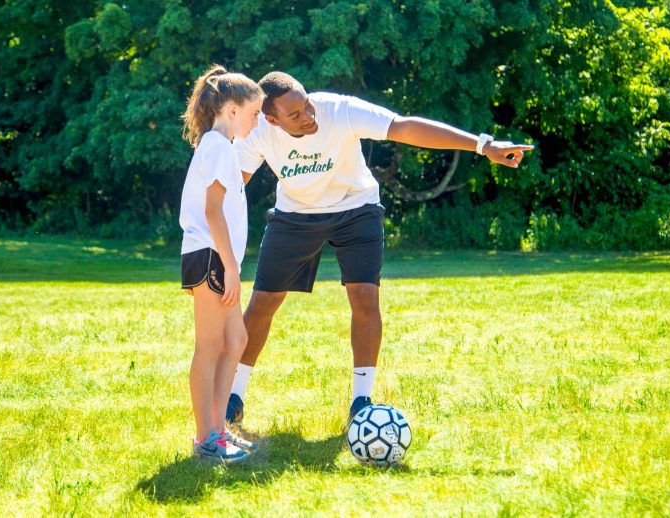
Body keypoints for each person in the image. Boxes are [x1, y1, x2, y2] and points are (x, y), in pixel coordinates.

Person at [226, 71, 534, 426]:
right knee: (263, 302)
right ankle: (234, 395)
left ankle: (362, 401)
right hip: (295, 215)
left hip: (356, 208)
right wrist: (214, 240)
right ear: (271, 118)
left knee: (364, 298)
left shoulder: (339, 111)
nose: (308, 116)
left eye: (307, 105)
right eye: (295, 115)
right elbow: (233, 186)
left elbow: (404, 127)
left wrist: (483, 146)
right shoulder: (257, 132)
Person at [178, 65, 263, 463]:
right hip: (210, 257)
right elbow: (212, 213)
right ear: (231, 110)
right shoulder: (215, 147)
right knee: (210, 345)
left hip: (221, 259)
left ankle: (217, 427)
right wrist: (230, 266)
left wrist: (232, 265)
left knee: (236, 341)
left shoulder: (223, 147)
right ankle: (205, 437)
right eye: (254, 112)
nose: (258, 119)